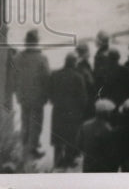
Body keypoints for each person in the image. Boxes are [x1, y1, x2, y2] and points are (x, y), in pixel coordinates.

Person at [11, 28, 50, 158]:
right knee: (36, 123)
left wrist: (17, 92)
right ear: (36, 42)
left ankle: (25, 145)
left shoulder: (17, 58)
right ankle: (32, 149)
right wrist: (47, 95)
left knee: (25, 121)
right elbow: (46, 78)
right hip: (37, 97)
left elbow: (13, 77)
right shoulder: (41, 58)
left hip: (22, 96)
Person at [49, 52, 88, 167]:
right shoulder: (78, 77)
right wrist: (82, 109)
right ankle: (69, 160)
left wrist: (54, 101)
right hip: (73, 112)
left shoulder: (55, 74)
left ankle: (57, 160)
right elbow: (83, 97)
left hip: (58, 110)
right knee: (71, 136)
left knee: (58, 135)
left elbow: (49, 91)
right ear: (74, 63)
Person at [77, 99, 118, 172]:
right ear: (106, 113)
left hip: (88, 166)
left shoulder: (85, 125)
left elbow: (79, 144)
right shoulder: (108, 129)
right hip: (102, 167)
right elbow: (110, 151)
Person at [75, 41, 96, 116]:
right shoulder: (83, 66)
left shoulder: (77, 65)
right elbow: (91, 82)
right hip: (87, 100)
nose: (89, 54)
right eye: (88, 51)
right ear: (84, 53)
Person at [92, 31, 111, 96]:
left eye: (97, 39)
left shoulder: (101, 55)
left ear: (101, 42)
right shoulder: (107, 52)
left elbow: (99, 75)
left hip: (102, 89)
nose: (95, 41)